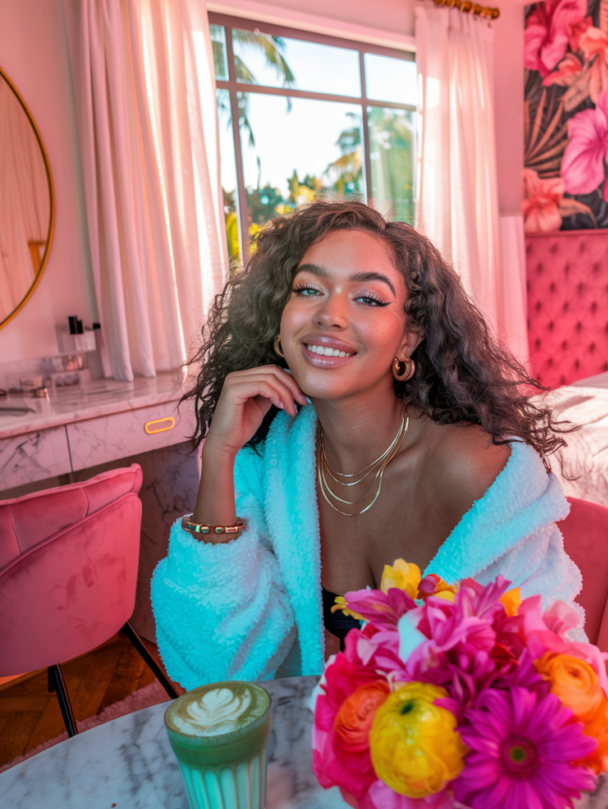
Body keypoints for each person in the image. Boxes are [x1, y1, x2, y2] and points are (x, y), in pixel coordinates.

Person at [151, 201, 582, 688]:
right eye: (308, 289)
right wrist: (219, 455)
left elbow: (544, 672)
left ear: (408, 340)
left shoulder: (472, 468)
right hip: (322, 745)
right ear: (279, 322)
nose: (329, 315)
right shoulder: (275, 459)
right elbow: (216, 662)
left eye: (369, 299)